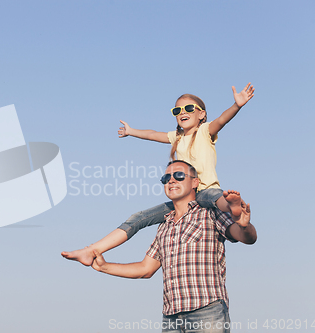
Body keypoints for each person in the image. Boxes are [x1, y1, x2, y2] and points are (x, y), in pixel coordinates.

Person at [61, 83, 255, 266]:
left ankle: (232, 207)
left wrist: (236, 106)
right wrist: (131, 131)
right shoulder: (176, 137)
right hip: (186, 199)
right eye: (177, 110)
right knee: (139, 217)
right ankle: (92, 250)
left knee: (217, 198)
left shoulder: (205, 131)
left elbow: (222, 120)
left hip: (206, 190)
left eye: (189, 109)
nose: (182, 113)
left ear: (201, 114)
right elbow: (152, 134)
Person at [91, 160, 257, 333]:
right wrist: (105, 267)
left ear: (195, 182)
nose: (171, 180)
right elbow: (145, 269)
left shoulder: (209, 214)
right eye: (166, 177)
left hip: (207, 311)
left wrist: (244, 225)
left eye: (179, 176)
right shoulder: (165, 226)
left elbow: (246, 237)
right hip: (171, 318)